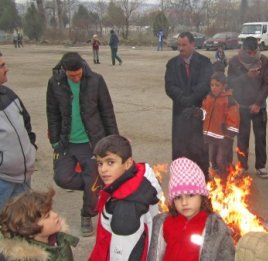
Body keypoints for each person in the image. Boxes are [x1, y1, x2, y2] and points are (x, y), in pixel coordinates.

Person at [46, 52, 119, 236]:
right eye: (72, 76)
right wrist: (55, 140)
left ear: (83, 68)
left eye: (78, 74)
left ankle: (86, 215)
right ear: (64, 71)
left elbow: (107, 112)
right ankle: (94, 185)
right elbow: (52, 113)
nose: (76, 78)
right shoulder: (55, 83)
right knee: (62, 178)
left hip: (93, 142)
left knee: (93, 187)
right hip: (66, 143)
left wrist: (114, 141)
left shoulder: (96, 80)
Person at [89, 135, 162, 260]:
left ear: (128, 163)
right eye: (100, 163)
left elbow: (122, 255)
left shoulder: (125, 208)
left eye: (110, 162)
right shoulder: (140, 179)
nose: (103, 169)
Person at [147, 157, 235, 261]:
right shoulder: (164, 224)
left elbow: (225, 256)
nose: (184, 203)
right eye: (178, 197)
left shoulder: (214, 227)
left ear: (201, 196)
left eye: (191, 195)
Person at [165, 32, 213, 178]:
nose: (180, 48)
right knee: (181, 148)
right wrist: (183, 99)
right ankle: (181, 177)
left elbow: (205, 85)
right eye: (179, 45)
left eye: (184, 45)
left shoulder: (205, 62)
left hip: (199, 112)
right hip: (180, 113)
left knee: (199, 147)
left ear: (193, 44)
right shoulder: (172, 64)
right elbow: (169, 87)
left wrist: (191, 99)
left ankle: (202, 178)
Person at [228, 36, 268, 178]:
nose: (253, 55)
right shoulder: (234, 61)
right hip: (241, 105)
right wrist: (246, 76)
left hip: (259, 106)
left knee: (260, 137)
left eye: (255, 52)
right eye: (250, 52)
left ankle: (261, 166)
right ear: (243, 49)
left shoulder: (264, 60)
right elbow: (230, 83)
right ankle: (242, 165)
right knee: (242, 137)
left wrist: (258, 103)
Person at [184, 72, 240, 178]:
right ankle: (217, 182)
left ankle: (226, 182)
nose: (214, 88)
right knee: (212, 160)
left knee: (220, 160)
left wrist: (228, 135)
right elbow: (205, 113)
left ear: (224, 86)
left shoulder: (230, 101)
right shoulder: (208, 98)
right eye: (212, 85)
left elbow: (234, 121)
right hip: (210, 136)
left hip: (224, 138)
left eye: (217, 85)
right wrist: (196, 112)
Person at [0, 51, 37, 210]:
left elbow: (26, 124)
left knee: (23, 226)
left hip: (24, 178)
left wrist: (31, 150)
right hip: (3, 181)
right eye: (2, 66)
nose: (6, 69)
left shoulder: (9, 95)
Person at [0, 189, 79, 260]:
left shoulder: (60, 238)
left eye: (51, 210)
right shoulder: (29, 258)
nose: (55, 215)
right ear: (29, 228)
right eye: (47, 216)